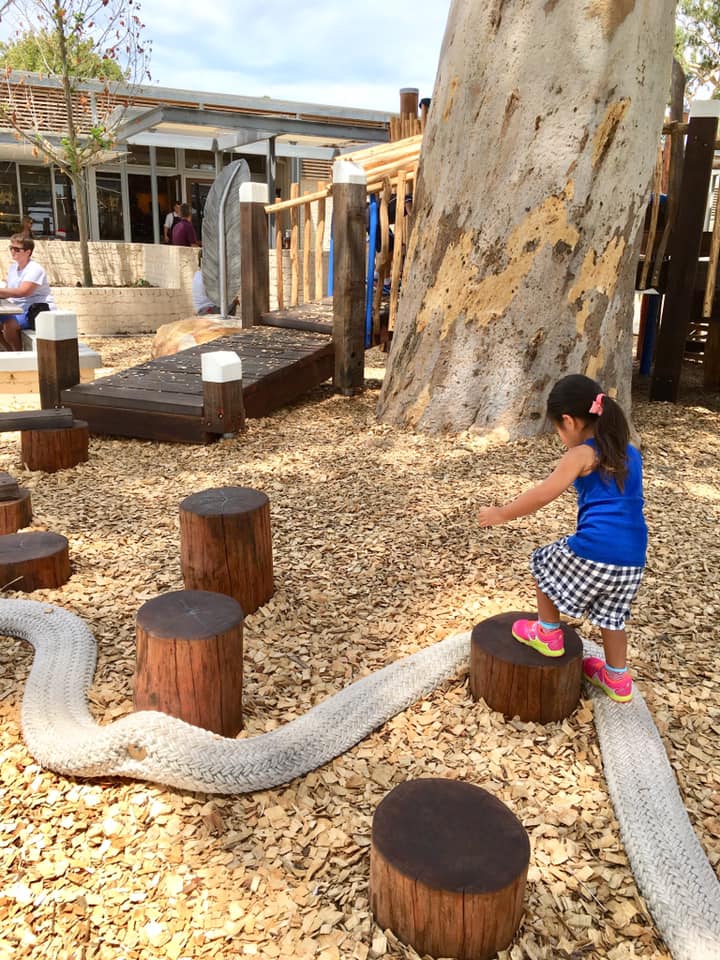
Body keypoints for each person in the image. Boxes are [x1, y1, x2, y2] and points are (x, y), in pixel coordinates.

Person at [478, 374, 647, 703]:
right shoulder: (630, 454)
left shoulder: (582, 454)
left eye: (557, 429)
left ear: (569, 421)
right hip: (633, 561)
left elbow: (544, 494)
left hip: (595, 547)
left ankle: (548, 634)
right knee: (612, 616)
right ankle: (616, 678)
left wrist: (502, 513)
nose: (559, 436)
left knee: (543, 562)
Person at [0, 235, 57, 350]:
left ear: (28, 252)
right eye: (11, 248)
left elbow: (23, 292)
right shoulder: (13, 268)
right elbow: (9, 288)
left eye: (17, 249)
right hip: (18, 309)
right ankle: (11, 352)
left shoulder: (35, 269)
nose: (12, 251)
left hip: (35, 310)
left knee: (9, 324)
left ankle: (19, 354)